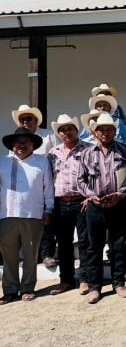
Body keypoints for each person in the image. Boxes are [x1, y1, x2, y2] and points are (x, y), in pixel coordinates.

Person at [76, 113, 126, 304]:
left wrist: (119, 195)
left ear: (114, 130)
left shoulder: (125, 151)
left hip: (118, 204)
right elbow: (80, 180)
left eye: (109, 129)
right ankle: (95, 287)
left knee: (118, 245)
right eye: (101, 130)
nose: (105, 132)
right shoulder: (87, 153)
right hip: (96, 206)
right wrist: (91, 196)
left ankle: (118, 283)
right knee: (95, 247)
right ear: (95, 133)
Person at [0, 129, 53, 305]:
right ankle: (9, 290)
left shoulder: (42, 162)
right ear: (12, 146)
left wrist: (49, 209)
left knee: (31, 254)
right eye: (18, 142)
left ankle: (28, 288)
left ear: (33, 145)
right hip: (6, 215)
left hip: (33, 214)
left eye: (25, 142)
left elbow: (48, 188)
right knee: (9, 256)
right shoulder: (2, 162)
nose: (21, 145)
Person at [47, 114, 92, 296]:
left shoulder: (89, 150)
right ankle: (66, 280)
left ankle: (84, 279)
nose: (67, 133)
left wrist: (90, 197)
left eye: (70, 129)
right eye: (63, 130)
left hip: (82, 202)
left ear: (76, 130)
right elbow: (48, 180)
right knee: (64, 243)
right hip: (60, 203)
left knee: (84, 242)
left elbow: (95, 175)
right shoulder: (53, 153)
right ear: (59, 134)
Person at [10, 104, 59, 269]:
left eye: (28, 119)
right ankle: (32, 255)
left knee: (46, 221)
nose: (25, 122)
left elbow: (56, 156)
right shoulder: (15, 141)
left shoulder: (48, 135)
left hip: (45, 180)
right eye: (22, 119)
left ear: (36, 120)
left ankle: (47, 254)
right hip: (24, 187)